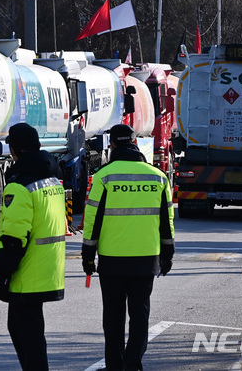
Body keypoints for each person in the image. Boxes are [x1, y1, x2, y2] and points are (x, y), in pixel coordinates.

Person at [81, 124, 174, 371]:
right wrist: (168, 255)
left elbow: (92, 221)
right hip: (146, 258)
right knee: (140, 314)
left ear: (111, 145)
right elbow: (167, 222)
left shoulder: (104, 176)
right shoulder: (157, 176)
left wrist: (88, 256)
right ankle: (133, 364)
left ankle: (114, 365)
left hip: (112, 260)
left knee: (113, 316)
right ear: (135, 142)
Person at [0, 122, 67, 371]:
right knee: (30, 332)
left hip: (28, 272)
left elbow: (14, 237)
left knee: (26, 334)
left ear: (15, 150)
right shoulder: (52, 178)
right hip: (49, 268)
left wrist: (3, 274)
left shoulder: (19, 185)